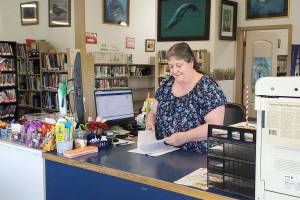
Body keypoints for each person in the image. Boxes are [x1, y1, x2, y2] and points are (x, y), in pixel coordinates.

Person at [146, 42, 227, 153]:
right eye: (171, 66)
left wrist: (184, 137)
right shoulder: (166, 84)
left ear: (191, 63)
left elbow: (215, 127)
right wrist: (150, 123)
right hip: (164, 152)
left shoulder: (207, 87)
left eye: (179, 65)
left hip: (196, 156)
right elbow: (153, 112)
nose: (174, 71)